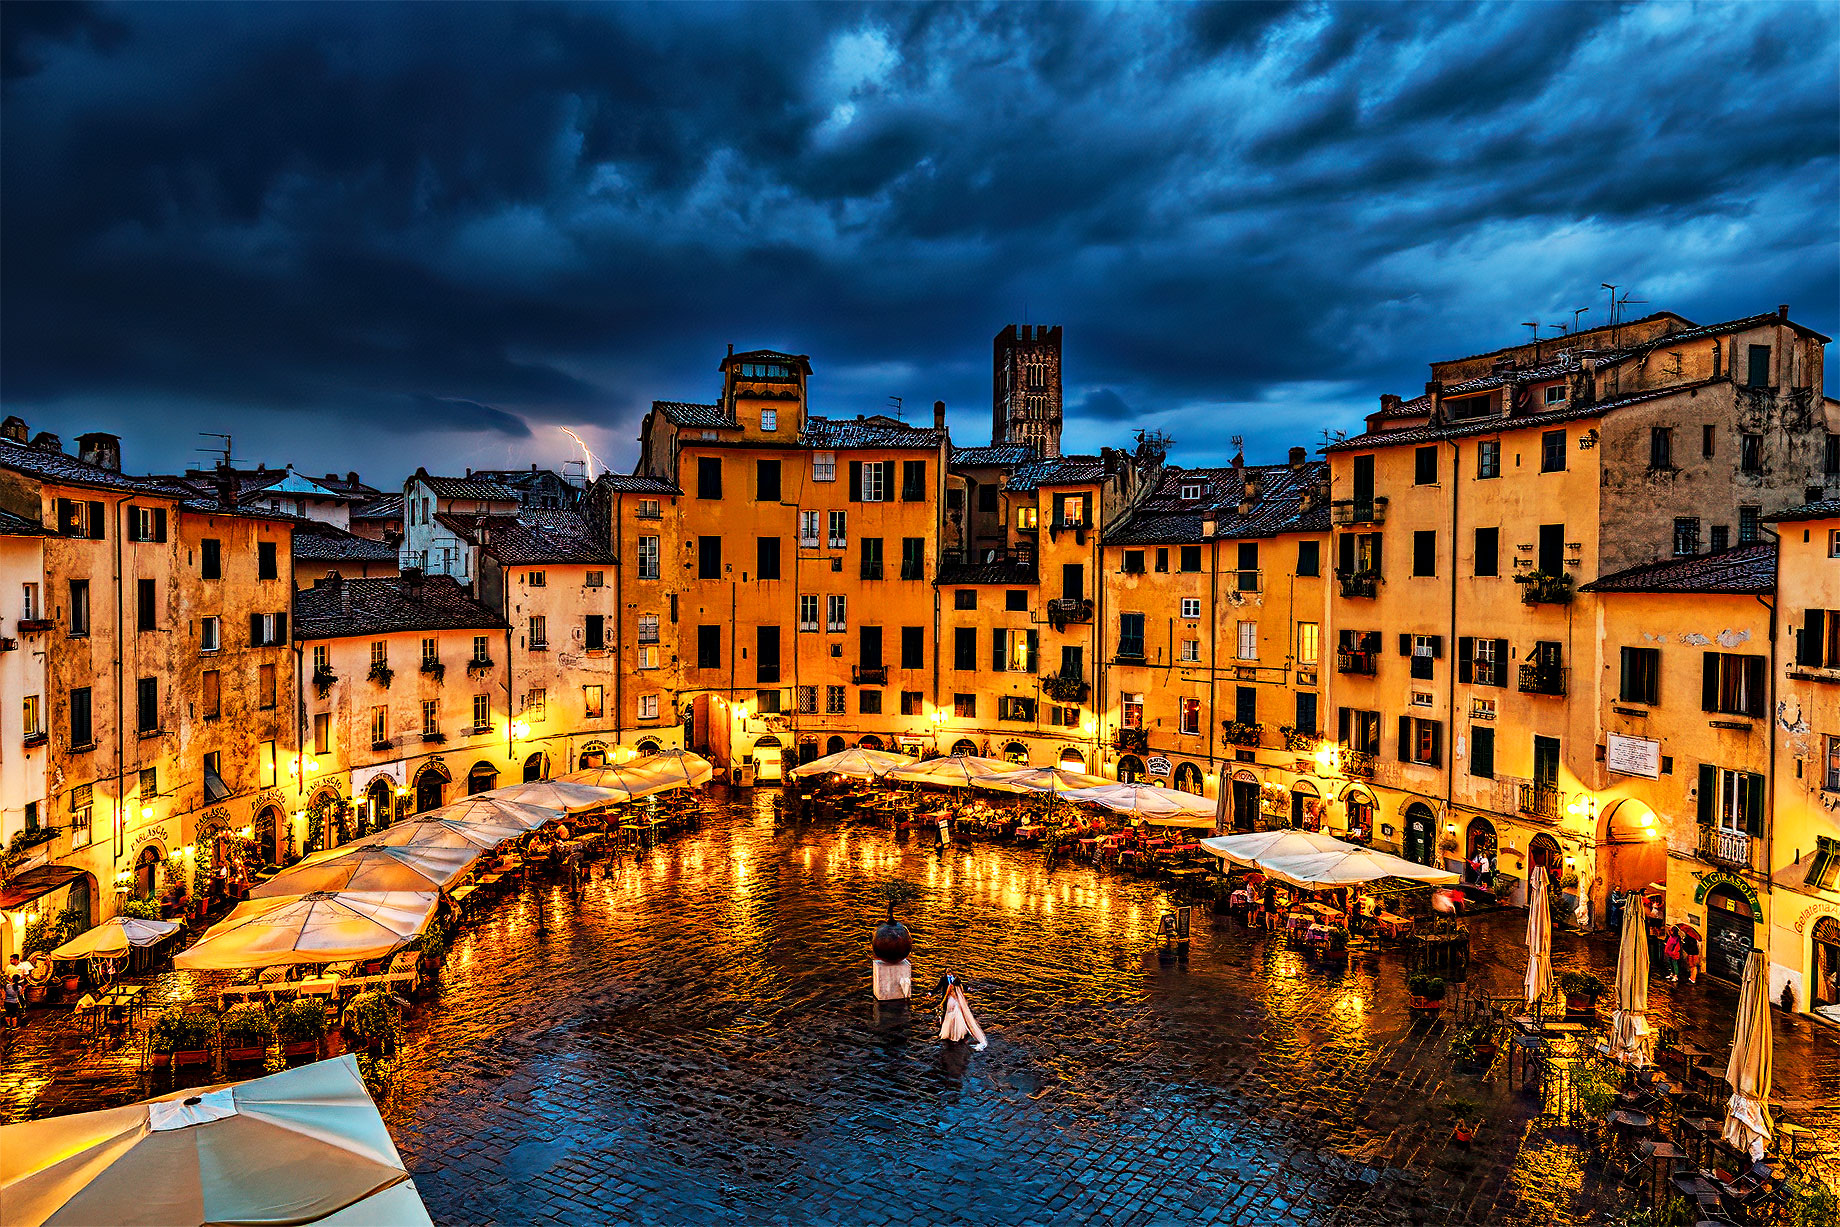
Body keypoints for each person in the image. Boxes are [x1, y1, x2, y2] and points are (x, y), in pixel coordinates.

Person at [937, 973, 988, 1051]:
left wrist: (941, 1004)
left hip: (951, 1002)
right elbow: (962, 995)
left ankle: (949, 1033)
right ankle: (957, 1034)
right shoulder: (960, 987)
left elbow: (946, 995)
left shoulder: (950, 986)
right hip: (957, 1003)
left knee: (949, 1018)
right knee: (957, 1018)